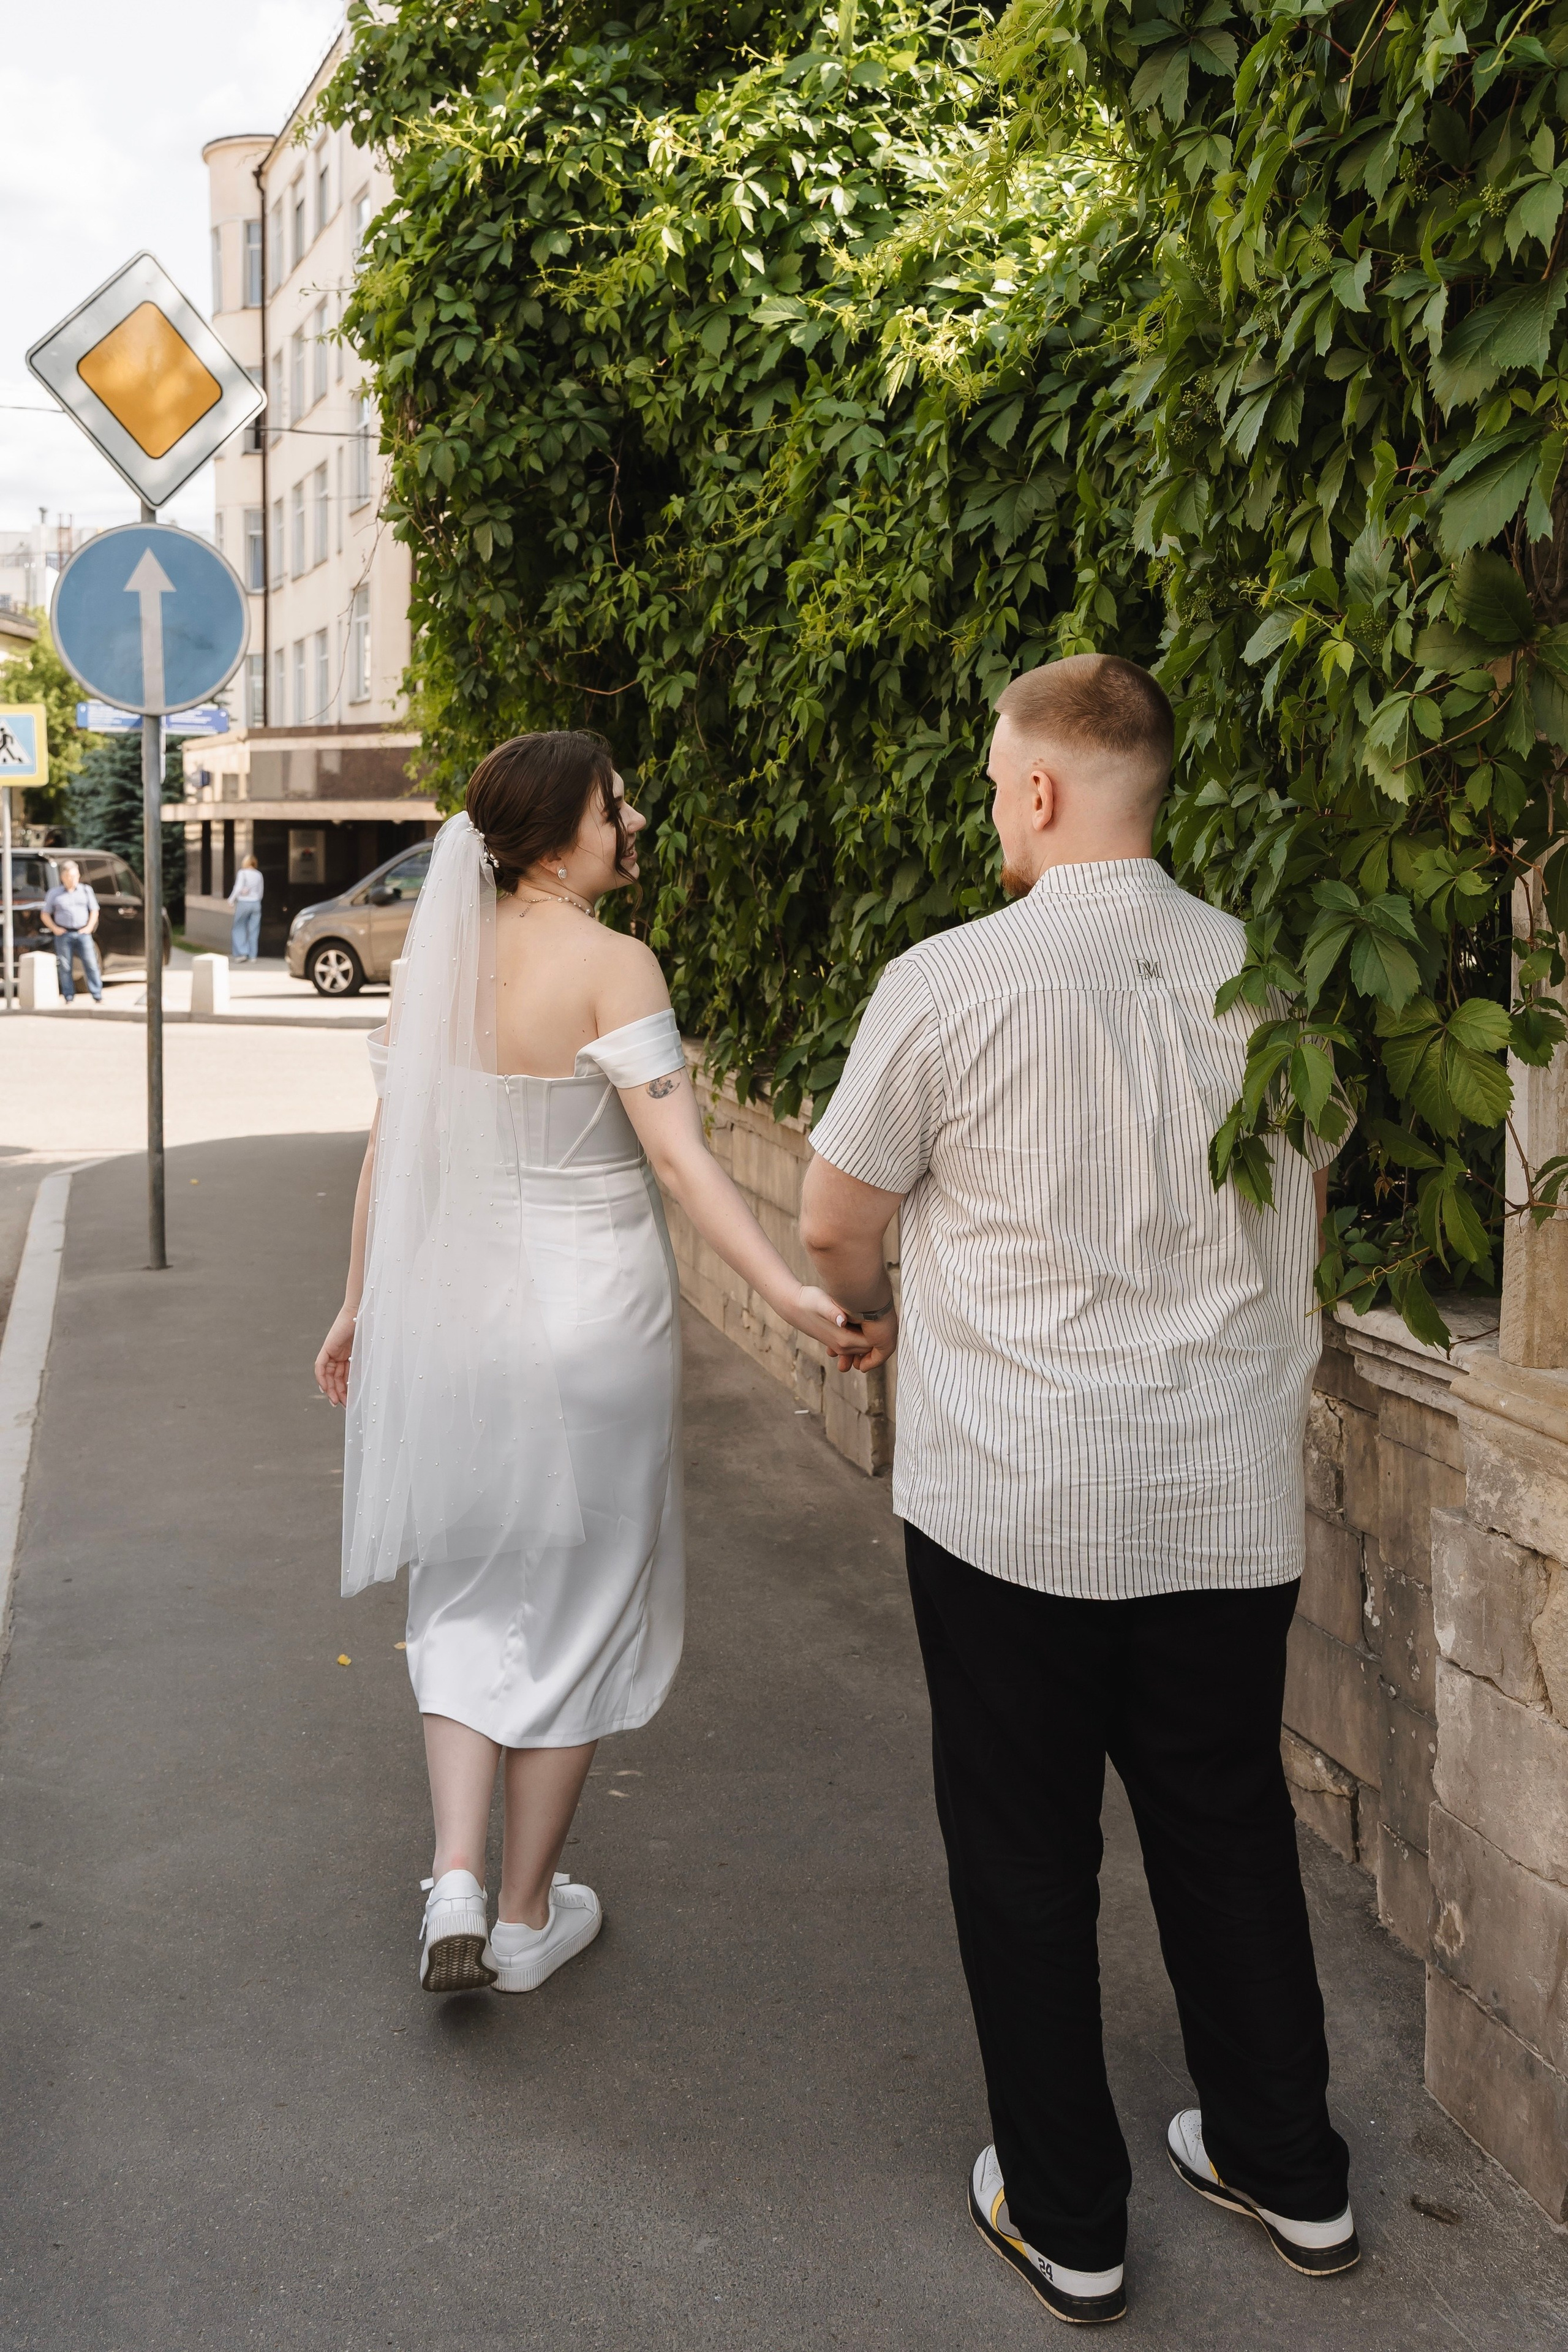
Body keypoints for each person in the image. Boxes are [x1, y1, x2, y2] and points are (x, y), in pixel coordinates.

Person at [799, 654, 1356, 2326]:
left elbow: (835, 1215)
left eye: (993, 777)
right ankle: (1290, 2169)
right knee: (1226, 1820)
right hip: (1218, 1494)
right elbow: (1306, 1191)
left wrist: (876, 1309)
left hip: (1014, 1508)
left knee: (1024, 1849)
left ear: (1042, 788)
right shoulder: (1269, 980)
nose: (991, 802)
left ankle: (1072, 2218)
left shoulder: (949, 979)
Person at [314, 731, 868, 1999]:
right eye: (616, 807)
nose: (635, 821)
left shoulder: (432, 972)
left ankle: (452, 1869)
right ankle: (519, 1921)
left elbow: (388, 1163)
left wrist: (357, 1310)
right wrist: (787, 1288)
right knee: (580, 1603)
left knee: (461, 1587)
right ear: (561, 834)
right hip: (590, 1321)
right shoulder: (614, 965)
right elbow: (678, 1159)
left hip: (449, 1314)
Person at [40, 860, 103, 1005]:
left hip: (83, 933)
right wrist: (55, 928)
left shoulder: (86, 890)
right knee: (65, 966)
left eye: (75, 876)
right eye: (69, 876)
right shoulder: (55, 893)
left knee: (91, 964)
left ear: (79, 876)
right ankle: (69, 997)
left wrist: (89, 928)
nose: (72, 879)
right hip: (64, 934)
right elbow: (45, 914)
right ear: (63, 877)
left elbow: (95, 911)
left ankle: (97, 995)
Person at [228, 854, 263, 960]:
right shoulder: (259, 875)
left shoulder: (242, 873)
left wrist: (231, 899)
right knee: (254, 930)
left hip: (244, 903)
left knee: (239, 927)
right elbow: (261, 892)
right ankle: (253, 956)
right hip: (256, 903)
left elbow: (238, 887)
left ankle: (242, 953)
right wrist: (257, 900)